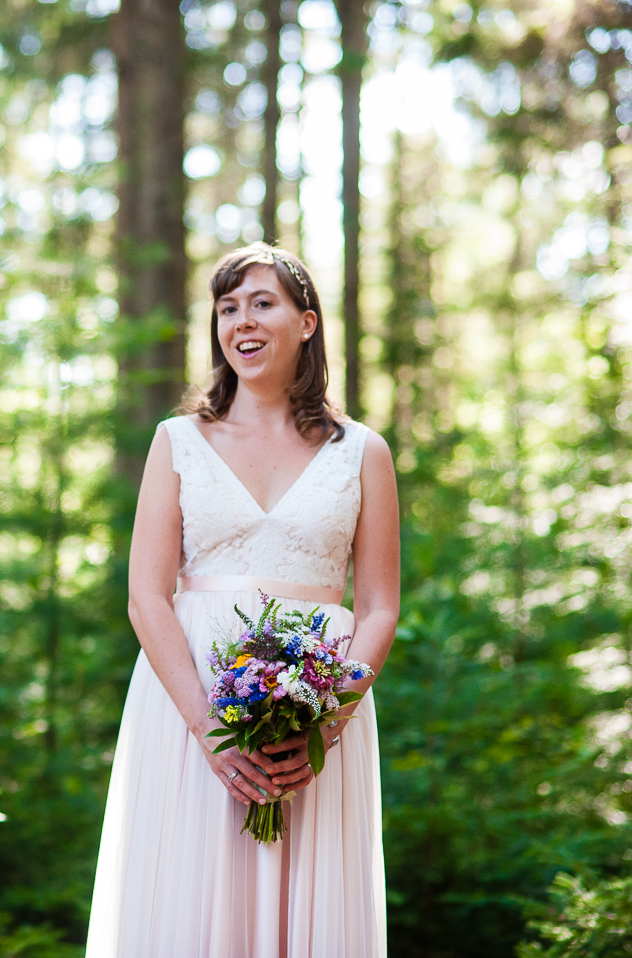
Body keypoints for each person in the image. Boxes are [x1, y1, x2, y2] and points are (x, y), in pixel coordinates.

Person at [85, 244, 400, 958]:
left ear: (307, 323)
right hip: (190, 709)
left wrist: (327, 724)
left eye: (262, 303)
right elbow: (146, 596)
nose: (241, 322)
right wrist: (208, 732)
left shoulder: (361, 451)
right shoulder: (177, 442)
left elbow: (380, 605)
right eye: (227, 308)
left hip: (321, 713)